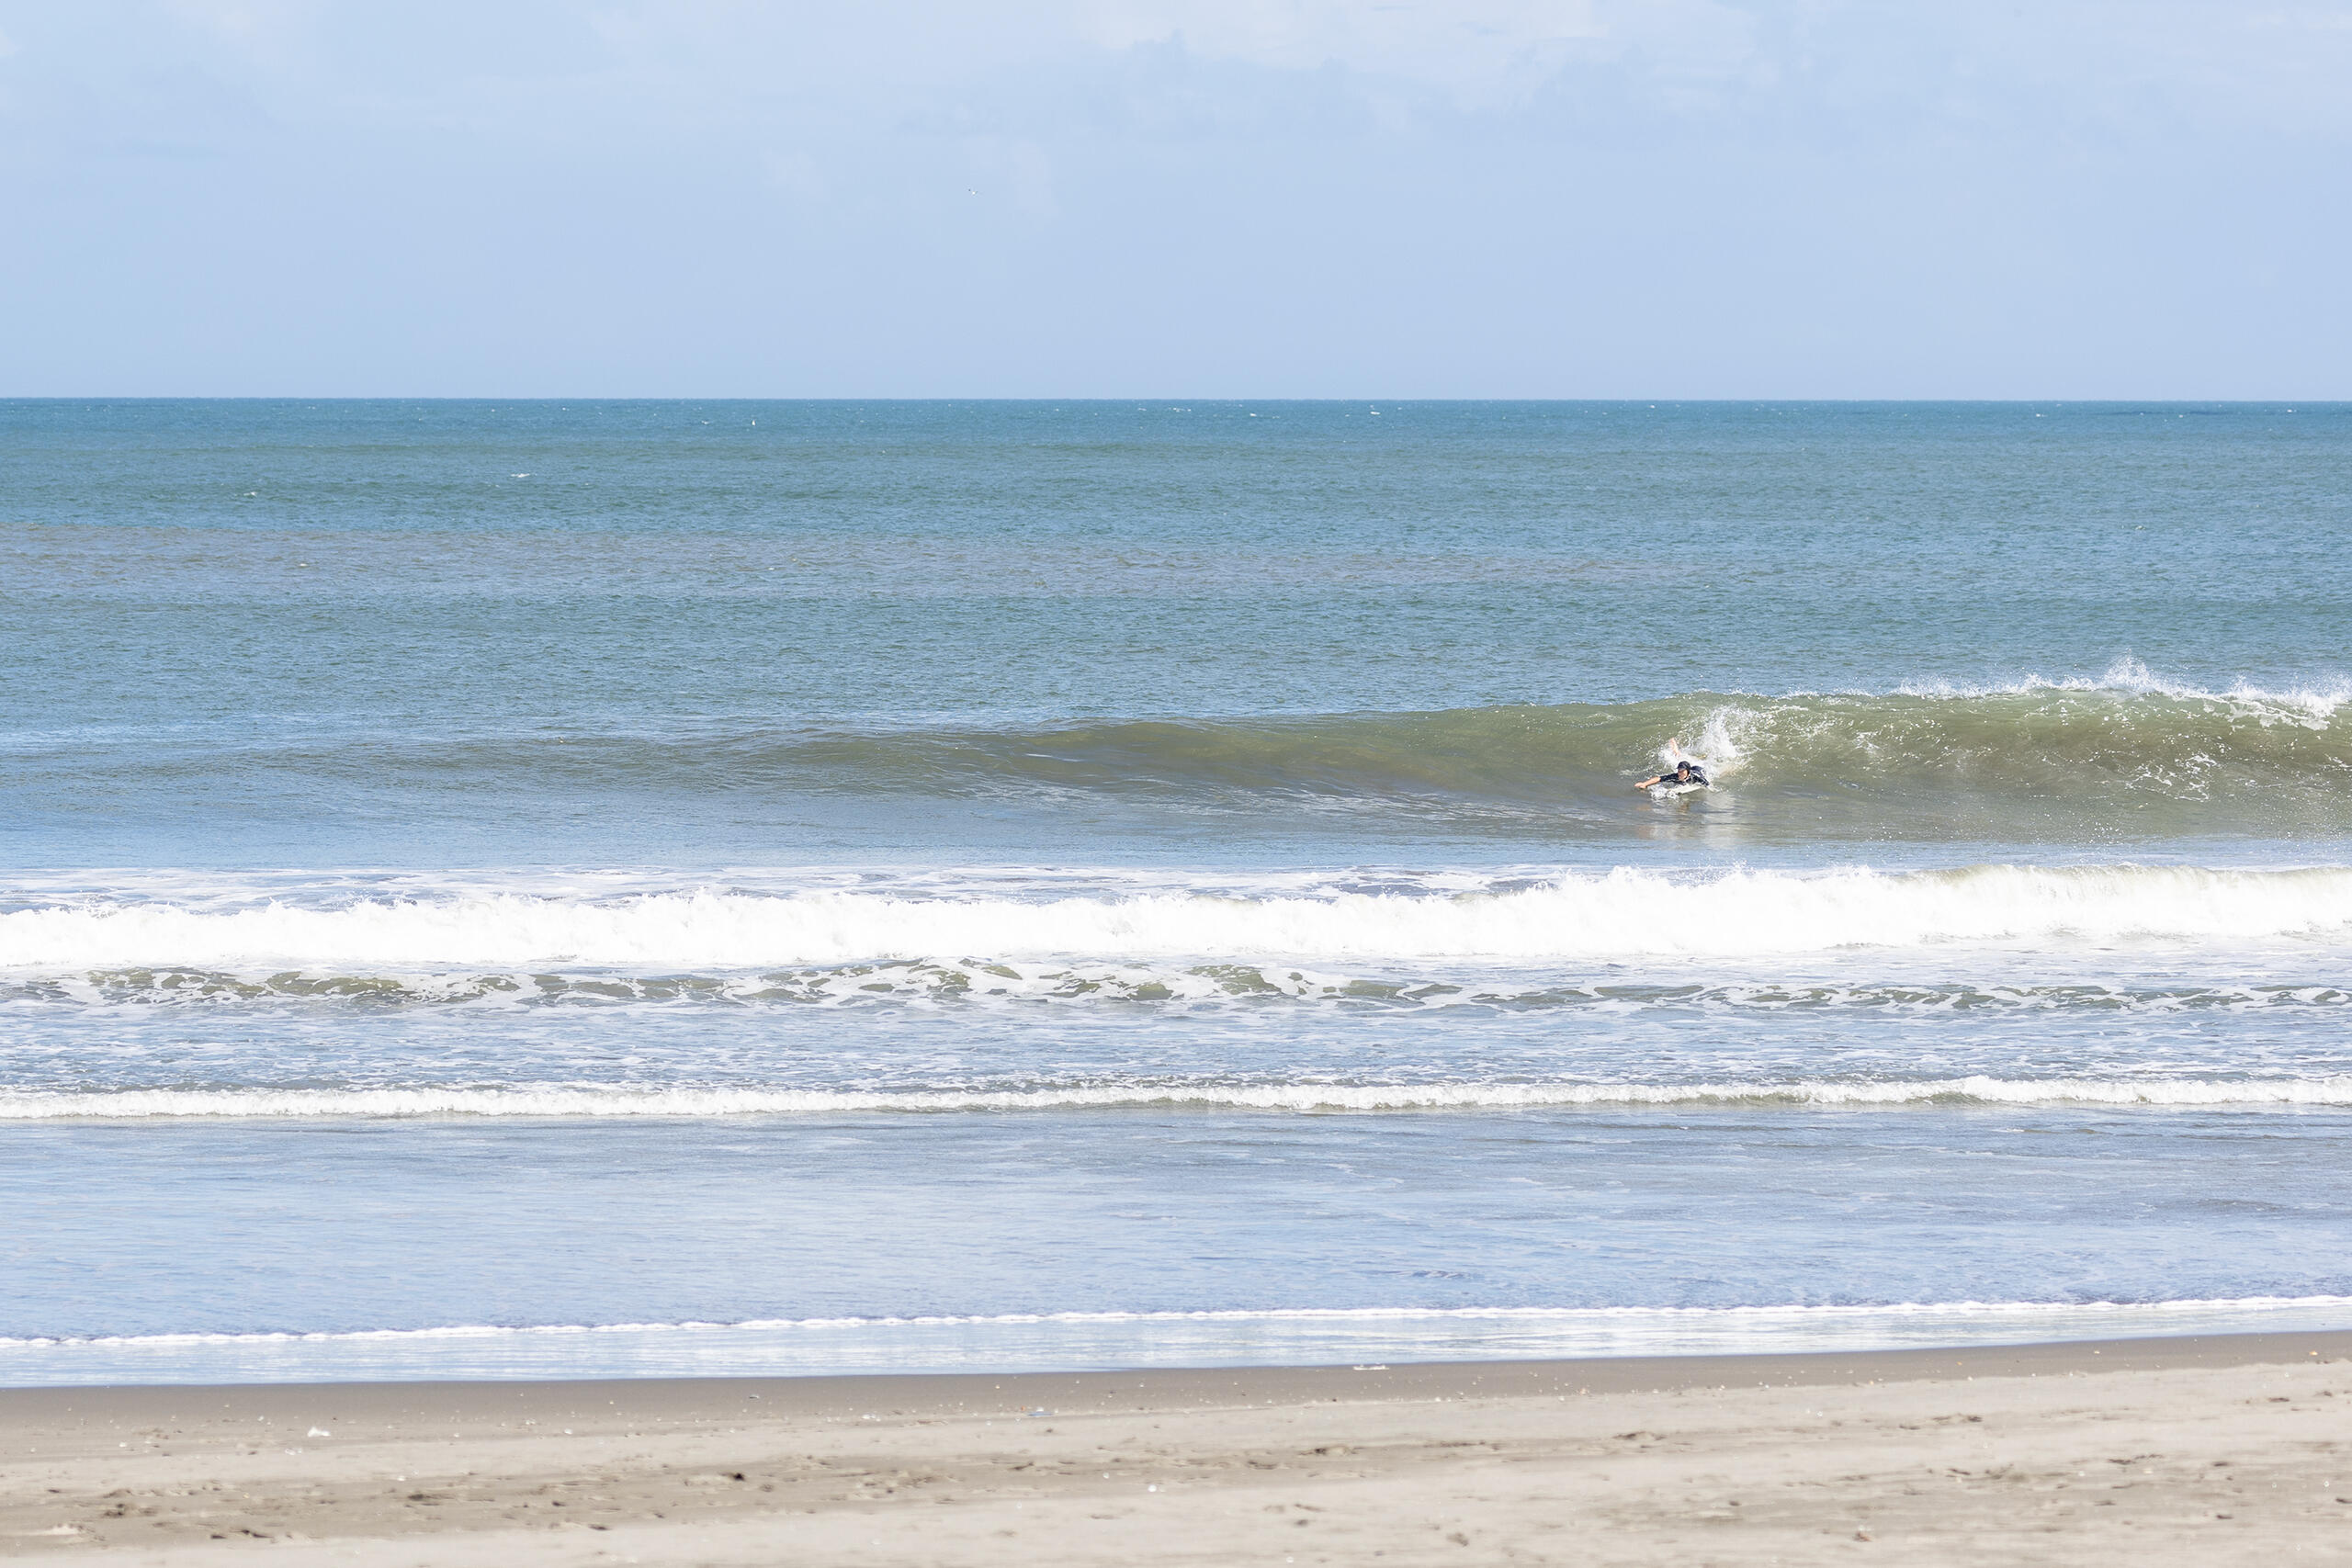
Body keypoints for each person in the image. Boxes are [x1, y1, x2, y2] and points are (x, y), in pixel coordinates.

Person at [1635, 752, 1709, 789]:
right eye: (1679, 771)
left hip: (1698, 769)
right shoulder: (1676, 776)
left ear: (1687, 772)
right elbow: (1659, 779)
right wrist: (1644, 784)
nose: (1679, 773)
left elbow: (1708, 785)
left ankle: (1702, 757)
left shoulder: (1696, 776)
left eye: (1682, 771)